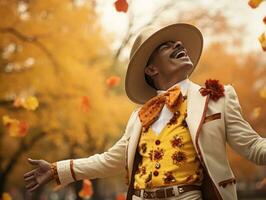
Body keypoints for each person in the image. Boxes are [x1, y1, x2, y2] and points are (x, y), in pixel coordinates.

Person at [24, 23, 266, 200]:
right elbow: (112, 160)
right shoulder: (140, 116)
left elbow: (254, 147)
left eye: (179, 44)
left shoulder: (217, 98)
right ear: (151, 69)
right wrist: (58, 170)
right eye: (167, 46)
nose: (179, 45)